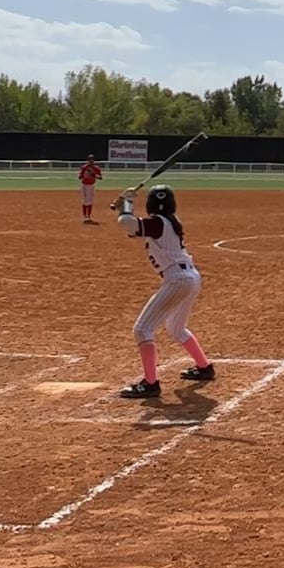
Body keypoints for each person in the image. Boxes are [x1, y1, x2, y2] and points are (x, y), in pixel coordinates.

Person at [114, 185, 214, 399]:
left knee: (142, 329)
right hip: (189, 278)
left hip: (178, 280)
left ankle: (150, 384)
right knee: (176, 328)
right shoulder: (169, 222)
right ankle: (204, 367)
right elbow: (131, 227)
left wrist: (127, 203)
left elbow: (127, 222)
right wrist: (124, 206)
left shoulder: (159, 223)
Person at [77, 154, 103, 224]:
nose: (90, 161)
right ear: (87, 160)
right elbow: (80, 176)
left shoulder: (96, 168)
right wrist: (81, 175)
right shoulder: (84, 167)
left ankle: (88, 215)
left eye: (92, 160)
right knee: (84, 200)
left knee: (90, 200)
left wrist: (93, 175)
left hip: (91, 185)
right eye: (89, 160)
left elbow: (100, 177)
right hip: (83, 184)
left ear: (94, 160)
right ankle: (84, 216)